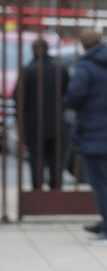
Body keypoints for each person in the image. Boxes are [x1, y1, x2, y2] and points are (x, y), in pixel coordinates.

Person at [63, 28, 107, 245]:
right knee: (106, 180)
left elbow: (75, 95)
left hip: (93, 131)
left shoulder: (86, 66)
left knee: (99, 181)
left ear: (83, 45)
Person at [14, 38, 69, 191]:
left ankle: (37, 191)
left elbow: (19, 99)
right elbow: (68, 94)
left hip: (34, 124)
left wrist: (20, 123)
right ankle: (56, 190)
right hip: (57, 123)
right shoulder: (60, 69)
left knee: (36, 160)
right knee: (56, 160)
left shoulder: (28, 71)